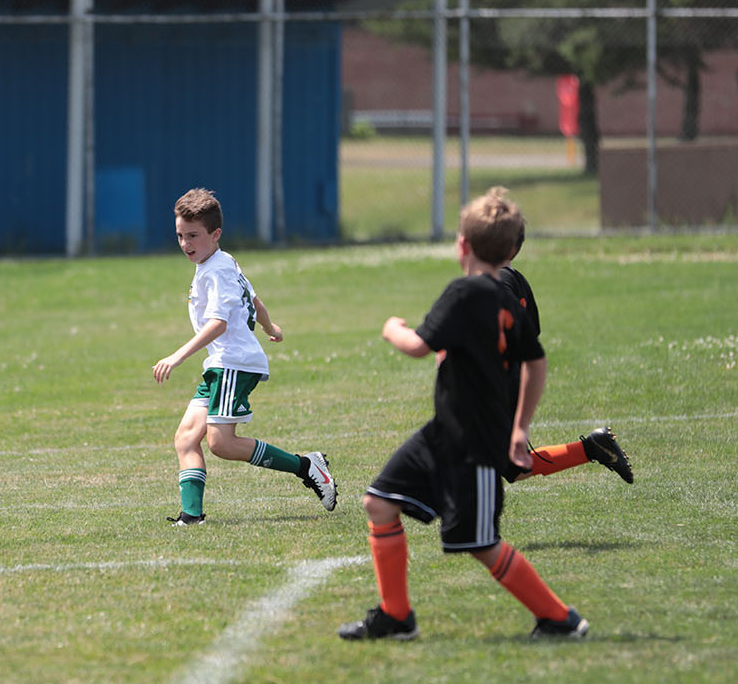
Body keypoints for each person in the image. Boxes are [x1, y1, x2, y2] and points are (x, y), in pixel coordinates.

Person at [340, 187, 588, 641]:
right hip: (444, 432)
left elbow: (417, 346)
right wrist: (521, 427)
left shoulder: (463, 292)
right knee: (379, 502)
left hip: (474, 441)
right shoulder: (508, 296)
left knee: (482, 545)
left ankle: (560, 618)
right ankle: (396, 616)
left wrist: (392, 329)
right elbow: (536, 361)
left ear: (462, 246)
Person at [152, 187, 336, 525]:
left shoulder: (217, 270)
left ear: (215, 233)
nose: (185, 243)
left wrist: (178, 356)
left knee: (221, 444)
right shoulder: (221, 261)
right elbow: (254, 300)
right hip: (221, 364)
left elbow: (219, 324)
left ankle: (307, 467)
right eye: (180, 235)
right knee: (186, 438)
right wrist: (270, 325)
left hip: (232, 362)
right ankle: (192, 516)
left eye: (193, 235)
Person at [499, 225, 633, 485]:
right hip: (510, 380)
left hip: (498, 383)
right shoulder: (517, 279)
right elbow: (532, 332)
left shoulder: (500, 282)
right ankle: (593, 447)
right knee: (514, 468)